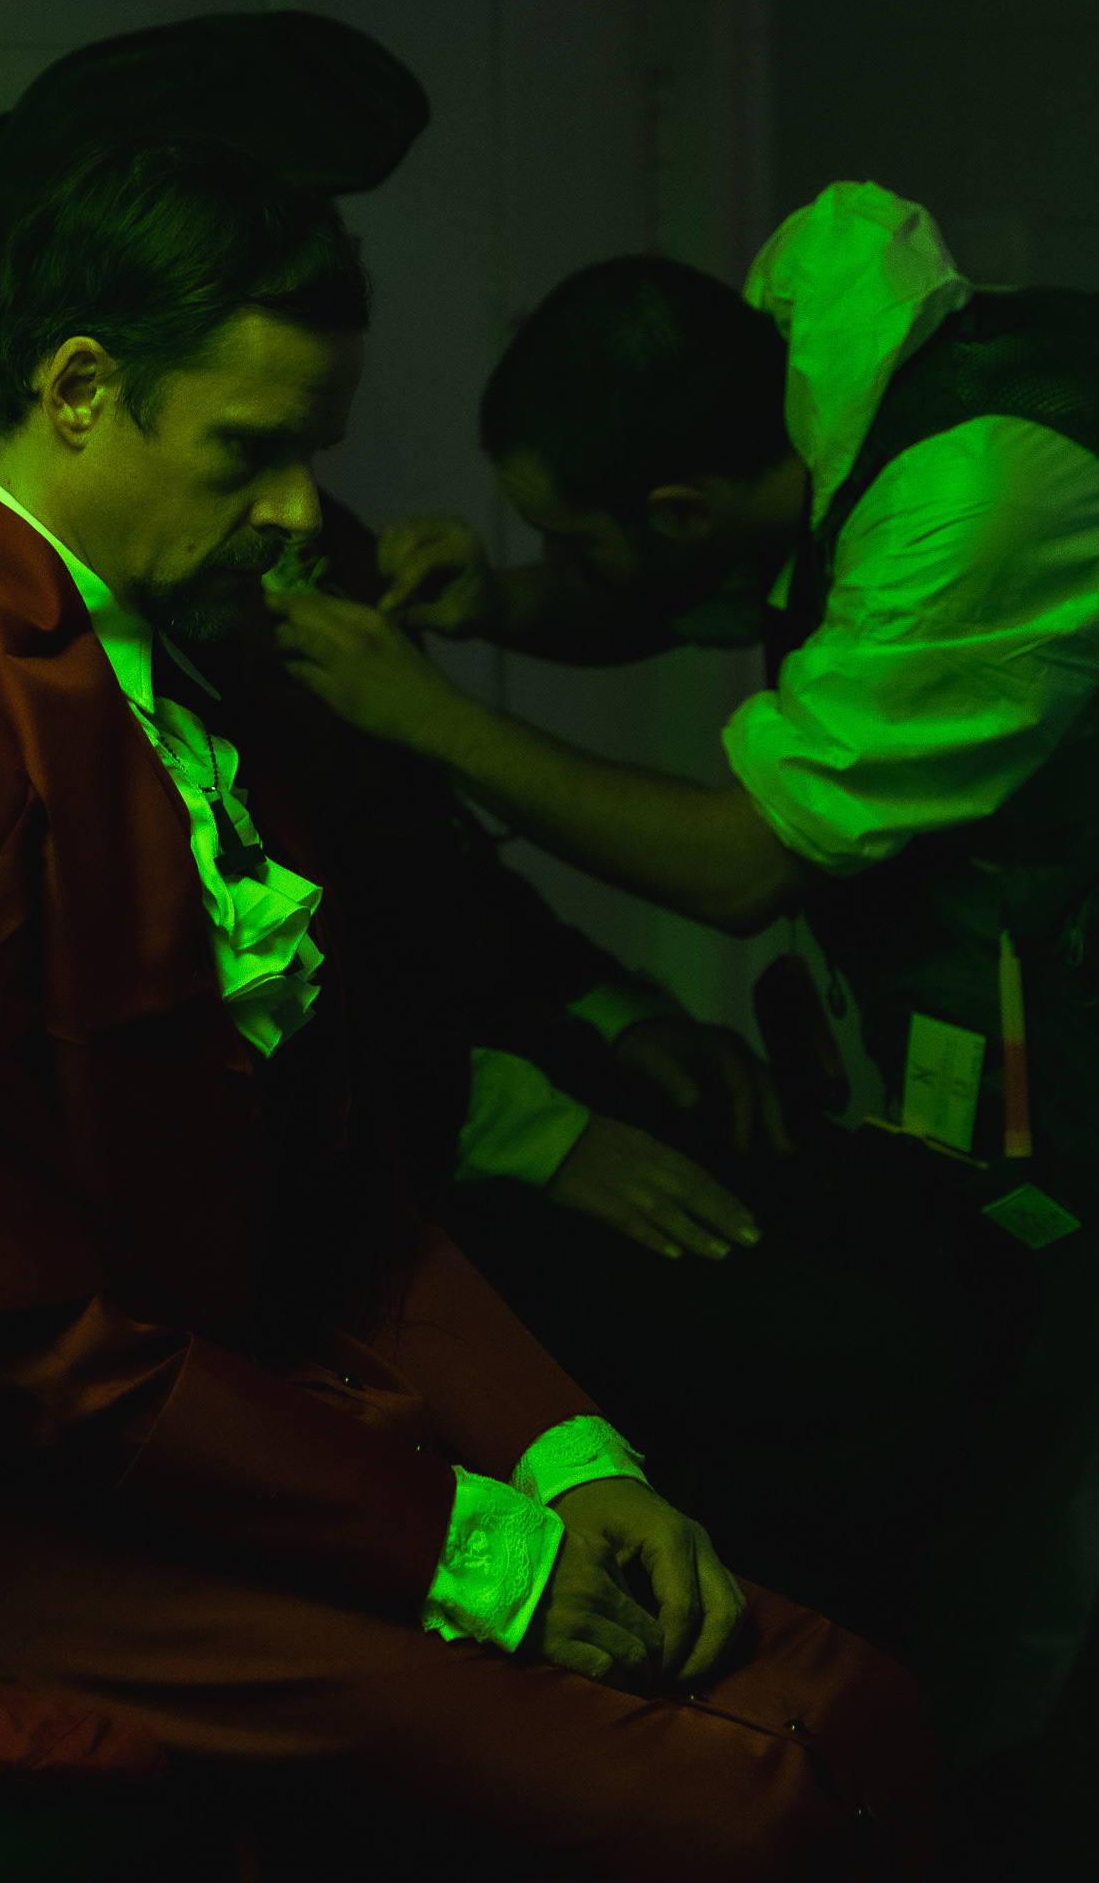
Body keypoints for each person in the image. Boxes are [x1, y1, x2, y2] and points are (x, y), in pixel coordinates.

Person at [0, 132, 939, 1881]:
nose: (302, 511)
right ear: (78, 393)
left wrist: (575, 1465)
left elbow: (340, 1187)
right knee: (750, 1786)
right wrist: (481, 1556)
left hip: (221, 1415)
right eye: (251, 450)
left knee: (846, 1702)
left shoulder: (165, 658)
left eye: (305, 450)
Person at [264, 179, 1099, 1773]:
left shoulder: (977, 497)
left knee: (1031, 1420)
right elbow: (709, 583)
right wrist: (506, 607)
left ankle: (984, 1789)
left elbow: (738, 866)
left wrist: (428, 713)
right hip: (476, 1096)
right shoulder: (806, 357)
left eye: (572, 541)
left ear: (677, 502)